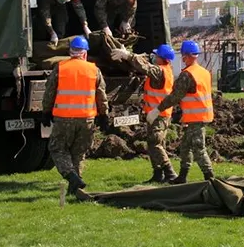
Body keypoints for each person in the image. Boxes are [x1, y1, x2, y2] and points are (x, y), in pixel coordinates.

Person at [41, 36, 109, 194]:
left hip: (64, 118)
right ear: (85, 53)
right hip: (87, 119)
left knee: (57, 149)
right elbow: (101, 95)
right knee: (78, 152)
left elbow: (49, 92)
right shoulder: (94, 69)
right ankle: (77, 186)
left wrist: (45, 112)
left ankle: (71, 177)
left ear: (70, 52)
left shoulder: (61, 68)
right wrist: (104, 115)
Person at [111, 43, 179, 183]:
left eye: (157, 55)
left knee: (155, 144)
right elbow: (146, 63)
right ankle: (158, 174)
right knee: (154, 144)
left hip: (158, 114)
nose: (154, 56)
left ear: (162, 58)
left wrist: (127, 55)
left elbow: (145, 67)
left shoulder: (159, 71)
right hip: (156, 114)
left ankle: (170, 172)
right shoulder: (164, 70)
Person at [149, 40, 214, 183]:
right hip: (200, 115)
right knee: (185, 147)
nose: (182, 58)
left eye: (184, 56)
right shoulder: (204, 72)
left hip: (196, 116)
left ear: (188, 56)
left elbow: (175, 96)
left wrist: (157, 109)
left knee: (198, 149)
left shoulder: (187, 75)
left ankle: (210, 178)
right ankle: (182, 177)